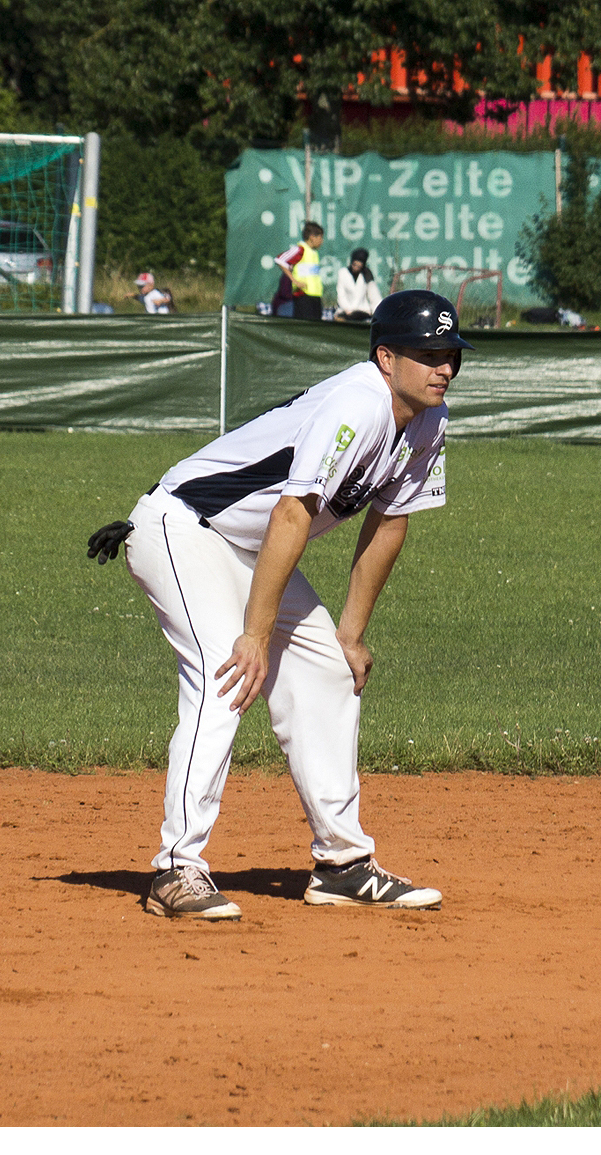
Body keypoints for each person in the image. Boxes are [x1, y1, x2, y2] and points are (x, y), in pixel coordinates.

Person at [86, 289, 474, 921]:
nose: (444, 367)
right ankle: (176, 870)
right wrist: (254, 633)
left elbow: (391, 520)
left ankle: (342, 866)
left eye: (451, 354)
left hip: (248, 545)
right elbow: (295, 510)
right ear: (386, 358)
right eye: (428, 353)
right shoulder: (358, 405)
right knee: (227, 674)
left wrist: (350, 632)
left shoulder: (429, 419)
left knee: (326, 669)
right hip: (184, 527)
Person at [274, 222, 324, 321]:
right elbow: (279, 260)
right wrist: (294, 281)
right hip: (303, 297)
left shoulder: (314, 252)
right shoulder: (300, 249)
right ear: (312, 237)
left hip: (316, 296)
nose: (321, 241)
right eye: (320, 237)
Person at [335, 248, 382, 322]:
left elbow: (374, 296)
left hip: (362, 313)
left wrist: (377, 313)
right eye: (354, 265)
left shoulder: (367, 274)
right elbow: (341, 296)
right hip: (345, 312)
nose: (356, 268)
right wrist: (348, 310)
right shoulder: (343, 273)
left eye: (359, 266)